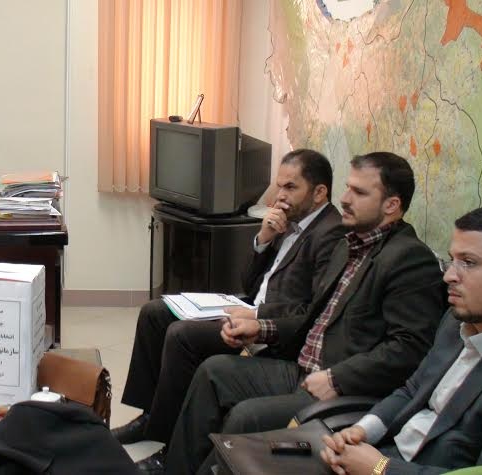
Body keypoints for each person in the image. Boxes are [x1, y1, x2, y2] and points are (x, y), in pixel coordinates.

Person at [154, 152, 446, 475]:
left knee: (246, 416)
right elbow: (311, 314)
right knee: (213, 371)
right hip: (300, 367)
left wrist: (337, 378)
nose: (345, 199)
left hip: (340, 386)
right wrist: (261, 328)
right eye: (347, 188)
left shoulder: (409, 259)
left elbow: (410, 348)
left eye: (359, 192)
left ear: (391, 205)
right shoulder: (349, 245)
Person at [115, 150, 346, 445]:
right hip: (248, 306)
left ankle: (167, 435)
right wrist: (264, 239)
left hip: (274, 330)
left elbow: (313, 309)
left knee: (181, 335)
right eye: (279, 186)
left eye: (291, 187)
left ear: (319, 192)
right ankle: (149, 417)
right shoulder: (289, 220)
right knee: (154, 313)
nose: (280, 196)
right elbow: (249, 283)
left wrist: (257, 316)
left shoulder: (330, 234)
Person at [320, 206, 482, 475]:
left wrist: (380, 468)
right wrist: (361, 431)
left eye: (469, 262)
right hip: (381, 453)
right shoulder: (454, 322)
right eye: (452, 260)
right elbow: (413, 390)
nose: (449, 276)